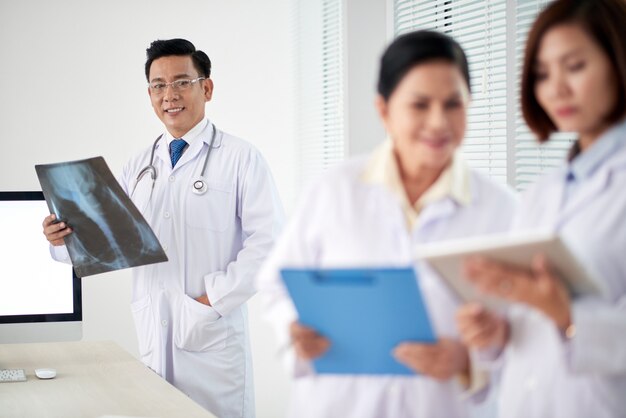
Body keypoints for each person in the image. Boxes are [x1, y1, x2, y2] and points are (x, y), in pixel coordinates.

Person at [256, 30, 517, 418]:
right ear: (384, 110)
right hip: (338, 404)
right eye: (419, 104)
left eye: (453, 104)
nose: (438, 121)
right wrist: (294, 329)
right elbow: (276, 282)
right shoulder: (333, 190)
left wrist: (468, 362)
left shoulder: (503, 209)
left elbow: (532, 334)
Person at [42, 38, 284, 418]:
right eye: (158, 85)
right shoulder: (138, 165)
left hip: (211, 338)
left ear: (206, 87)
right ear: (150, 94)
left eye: (181, 82)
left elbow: (269, 246)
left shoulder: (241, 158)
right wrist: (62, 239)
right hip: (155, 331)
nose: (169, 94)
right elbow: (109, 239)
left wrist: (211, 301)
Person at [456, 1, 626, 417]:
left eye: (575, 66)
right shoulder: (539, 194)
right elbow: (528, 330)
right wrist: (497, 333)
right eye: (542, 74)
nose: (556, 89)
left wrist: (566, 314)